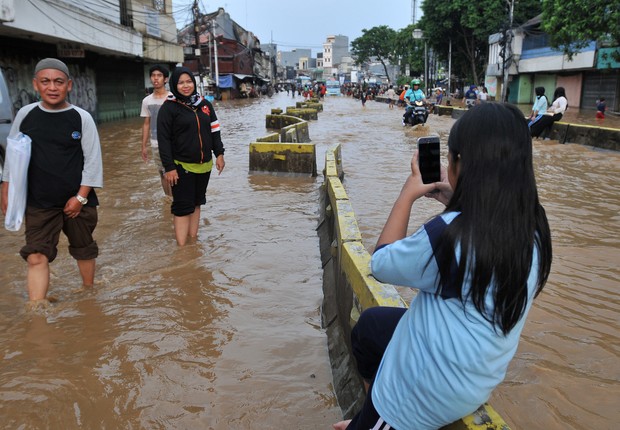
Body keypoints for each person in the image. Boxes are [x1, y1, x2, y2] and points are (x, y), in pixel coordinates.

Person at [333, 103, 552, 430]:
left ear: (461, 165)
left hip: (424, 392)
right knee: (371, 327)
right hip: (474, 378)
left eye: (450, 157)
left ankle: (380, 417)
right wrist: (457, 198)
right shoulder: (533, 226)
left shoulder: (449, 235)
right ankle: (370, 412)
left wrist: (408, 193)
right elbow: (485, 237)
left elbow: (380, 263)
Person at [0, 58, 103, 306]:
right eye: (45, 82)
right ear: (36, 85)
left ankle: (88, 293)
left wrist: (80, 198)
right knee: (35, 255)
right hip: (39, 202)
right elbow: (14, 156)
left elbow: (93, 161)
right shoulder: (26, 115)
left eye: (58, 82)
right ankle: (37, 310)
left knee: (83, 248)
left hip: (78, 200)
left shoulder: (82, 118)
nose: (52, 87)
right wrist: (6, 188)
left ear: (69, 85)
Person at [157, 67, 225, 246]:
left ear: (194, 84)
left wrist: (219, 154)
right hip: (181, 166)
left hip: (204, 166)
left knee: (196, 203)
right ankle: (182, 250)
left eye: (189, 82)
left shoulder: (204, 105)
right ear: (174, 85)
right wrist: (169, 167)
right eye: (181, 82)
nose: (186, 86)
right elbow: (163, 140)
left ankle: (193, 244)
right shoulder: (169, 107)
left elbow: (215, 131)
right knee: (181, 207)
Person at [141, 64, 171, 196]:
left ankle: (176, 200)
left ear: (166, 79)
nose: (156, 78)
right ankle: (169, 199)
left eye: (159, 76)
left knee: (175, 173)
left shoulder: (172, 98)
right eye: (153, 76)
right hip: (156, 144)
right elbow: (146, 124)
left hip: (173, 143)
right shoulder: (146, 101)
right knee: (163, 174)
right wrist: (143, 146)